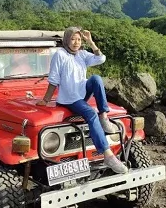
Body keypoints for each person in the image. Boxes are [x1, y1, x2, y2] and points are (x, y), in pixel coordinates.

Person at [36, 27, 128, 174]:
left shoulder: (82, 54)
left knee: (96, 78)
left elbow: (100, 59)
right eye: (73, 39)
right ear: (66, 40)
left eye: (78, 40)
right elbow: (53, 79)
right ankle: (107, 154)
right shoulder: (60, 55)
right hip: (68, 98)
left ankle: (104, 116)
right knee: (91, 114)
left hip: (81, 93)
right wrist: (46, 100)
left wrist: (90, 41)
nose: (76, 42)